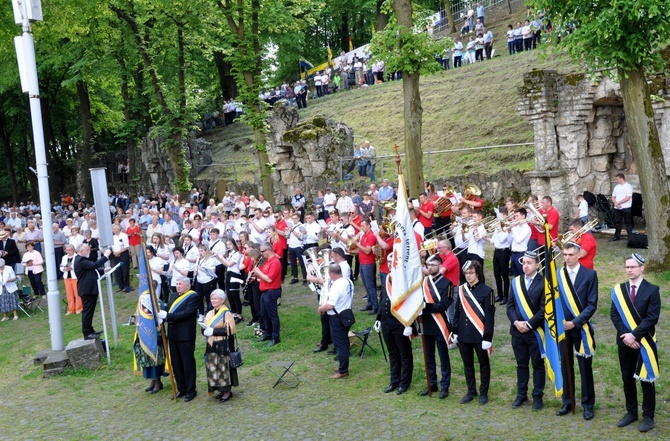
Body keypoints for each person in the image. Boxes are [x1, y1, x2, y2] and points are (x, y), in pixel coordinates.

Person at [610, 254, 660, 433]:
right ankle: (631, 412)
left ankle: (648, 416)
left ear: (642, 268)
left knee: (646, 380)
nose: (629, 270)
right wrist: (626, 336)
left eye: (633, 267)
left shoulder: (652, 290)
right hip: (625, 342)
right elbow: (614, 315)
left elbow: (652, 318)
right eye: (627, 267)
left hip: (644, 342)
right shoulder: (619, 290)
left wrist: (635, 336)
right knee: (627, 378)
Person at [556, 241, 598, 420]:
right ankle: (568, 401)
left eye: (571, 255)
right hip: (563, 329)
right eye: (564, 255)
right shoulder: (558, 274)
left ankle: (588, 405)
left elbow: (592, 304)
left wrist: (576, 322)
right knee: (566, 367)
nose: (567, 258)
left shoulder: (589, 275)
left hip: (580, 328)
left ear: (579, 254)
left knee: (584, 368)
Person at [507, 251, 546, 410]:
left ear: (537, 265)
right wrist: (516, 322)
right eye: (523, 263)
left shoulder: (544, 283)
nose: (525, 266)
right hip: (517, 331)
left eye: (529, 263)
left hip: (535, 332)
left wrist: (528, 325)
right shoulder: (515, 282)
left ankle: (537, 397)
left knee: (537, 365)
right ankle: (521, 395)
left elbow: (544, 310)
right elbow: (510, 306)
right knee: (521, 364)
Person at [452, 260, 494, 404]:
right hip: (464, 334)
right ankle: (471, 391)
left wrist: (488, 337)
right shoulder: (462, 289)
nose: (468, 276)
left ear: (478, 274)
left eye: (471, 273)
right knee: (467, 364)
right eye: (466, 273)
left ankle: (484, 392)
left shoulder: (488, 291)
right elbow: (457, 312)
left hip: (479, 335)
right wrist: (455, 330)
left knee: (483, 364)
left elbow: (489, 316)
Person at [376, 253, 413, 394]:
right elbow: (383, 299)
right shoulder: (387, 278)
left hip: (400, 323)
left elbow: (410, 303)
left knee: (404, 354)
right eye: (389, 262)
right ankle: (394, 381)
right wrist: (378, 319)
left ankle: (404, 383)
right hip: (386, 322)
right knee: (393, 354)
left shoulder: (405, 280)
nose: (390, 264)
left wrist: (409, 324)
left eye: (393, 262)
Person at [419, 255, 453, 399]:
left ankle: (445, 385)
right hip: (426, 324)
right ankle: (432, 383)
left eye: (433, 264)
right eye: (428, 265)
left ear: (440, 265)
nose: (430, 267)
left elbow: (444, 304)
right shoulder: (423, 282)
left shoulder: (448, 283)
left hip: (440, 324)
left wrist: (425, 307)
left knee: (443, 357)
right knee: (429, 357)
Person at [202, 289, 239, 402]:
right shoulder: (209, 313)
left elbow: (229, 330)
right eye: (211, 298)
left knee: (223, 368)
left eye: (215, 298)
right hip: (211, 344)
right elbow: (204, 326)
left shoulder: (226, 313)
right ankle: (219, 389)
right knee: (213, 367)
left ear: (222, 300)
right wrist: (204, 331)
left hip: (222, 344)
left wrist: (213, 331)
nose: (213, 301)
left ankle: (226, 391)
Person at [318, 263, 354, 379]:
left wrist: (320, 308)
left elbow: (330, 305)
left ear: (332, 274)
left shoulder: (336, 285)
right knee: (343, 342)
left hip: (337, 318)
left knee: (340, 345)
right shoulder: (348, 281)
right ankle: (343, 366)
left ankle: (343, 370)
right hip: (346, 314)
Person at [74, 243, 112, 339]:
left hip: (90, 289)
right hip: (86, 289)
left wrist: (103, 271)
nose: (89, 251)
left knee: (90, 311)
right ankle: (87, 332)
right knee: (87, 311)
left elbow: (91, 271)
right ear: (81, 251)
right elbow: (94, 265)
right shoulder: (80, 260)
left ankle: (90, 330)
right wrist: (106, 256)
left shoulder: (82, 260)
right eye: (87, 250)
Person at [133, 291, 166, 394]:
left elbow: (160, 317)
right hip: (143, 333)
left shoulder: (158, 303)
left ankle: (158, 381)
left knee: (155, 357)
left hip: (154, 333)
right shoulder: (141, 302)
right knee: (146, 357)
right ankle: (153, 380)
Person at [253, 242, 282, 347]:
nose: (261, 254)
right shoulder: (267, 262)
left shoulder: (275, 262)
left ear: (268, 250)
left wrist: (258, 272)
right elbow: (264, 277)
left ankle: (275, 337)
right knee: (264, 314)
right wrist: (256, 275)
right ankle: (268, 333)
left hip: (271, 291)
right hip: (265, 291)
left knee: (272, 315)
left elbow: (269, 279)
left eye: (262, 251)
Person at [352, 219, 378, 314]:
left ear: (368, 226)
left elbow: (367, 251)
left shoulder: (371, 236)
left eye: (363, 226)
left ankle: (375, 306)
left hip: (368, 263)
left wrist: (357, 244)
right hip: (363, 263)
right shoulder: (364, 236)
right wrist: (350, 251)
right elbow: (361, 250)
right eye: (361, 226)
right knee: (366, 285)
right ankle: (370, 303)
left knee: (370, 286)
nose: (361, 228)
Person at [60, 244, 82, 315]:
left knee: (77, 293)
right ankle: (71, 309)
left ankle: (79, 308)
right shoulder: (64, 257)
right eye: (67, 250)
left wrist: (72, 268)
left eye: (70, 250)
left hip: (74, 276)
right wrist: (64, 269)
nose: (68, 251)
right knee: (69, 294)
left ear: (73, 250)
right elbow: (61, 266)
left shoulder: (77, 256)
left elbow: (79, 266)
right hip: (67, 276)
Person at [611, 173, 633, 242]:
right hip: (617, 207)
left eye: (617, 179)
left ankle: (630, 237)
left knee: (628, 222)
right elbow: (613, 196)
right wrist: (615, 203)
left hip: (626, 207)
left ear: (621, 178)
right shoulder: (617, 187)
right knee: (617, 222)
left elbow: (628, 197)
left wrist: (618, 202)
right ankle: (617, 236)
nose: (617, 180)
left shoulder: (628, 186)